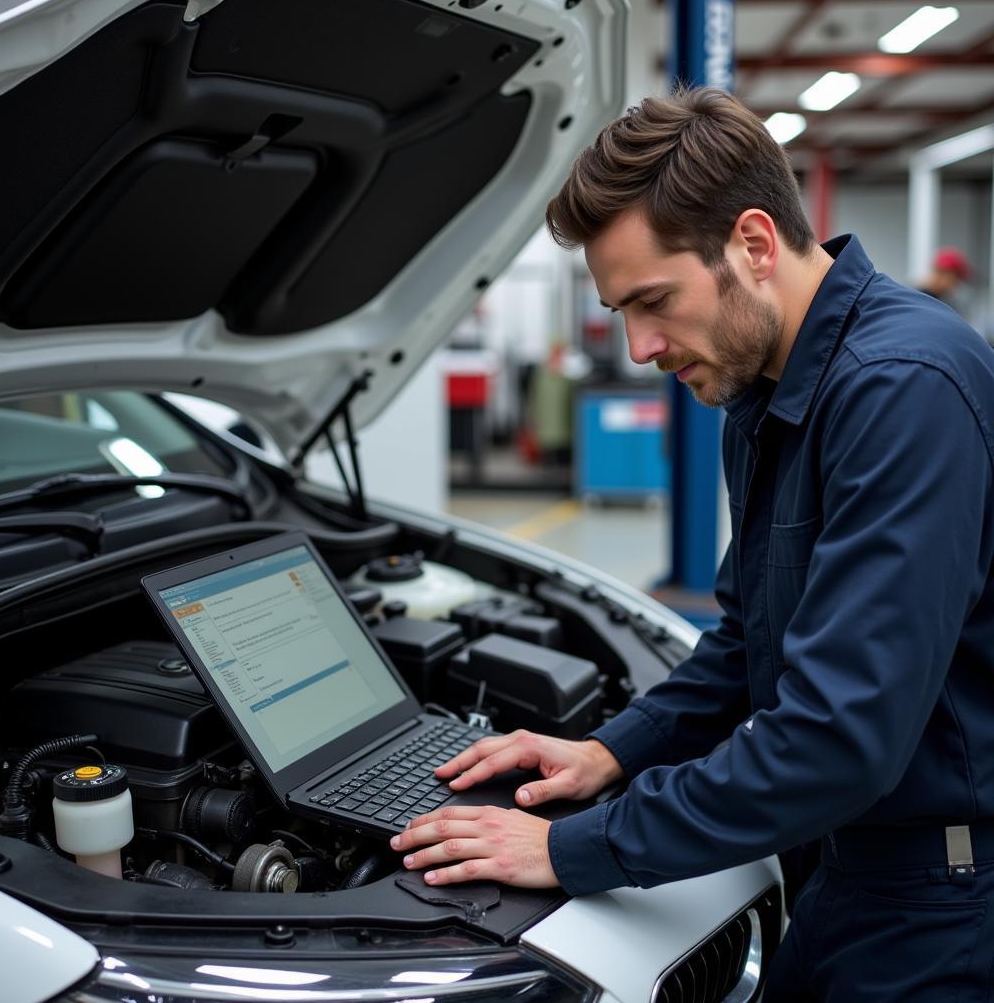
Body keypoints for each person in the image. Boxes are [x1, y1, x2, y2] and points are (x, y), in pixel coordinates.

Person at [388, 87, 994, 1000]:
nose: (638, 347)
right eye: (620, 311)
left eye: (653, 300)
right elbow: (751, 638)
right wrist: (611, 752)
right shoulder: (761, 392)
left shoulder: (901, 388)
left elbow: (840, 739)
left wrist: (575, 848)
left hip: (948, 901)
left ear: (753, 244)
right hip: (855, 865)